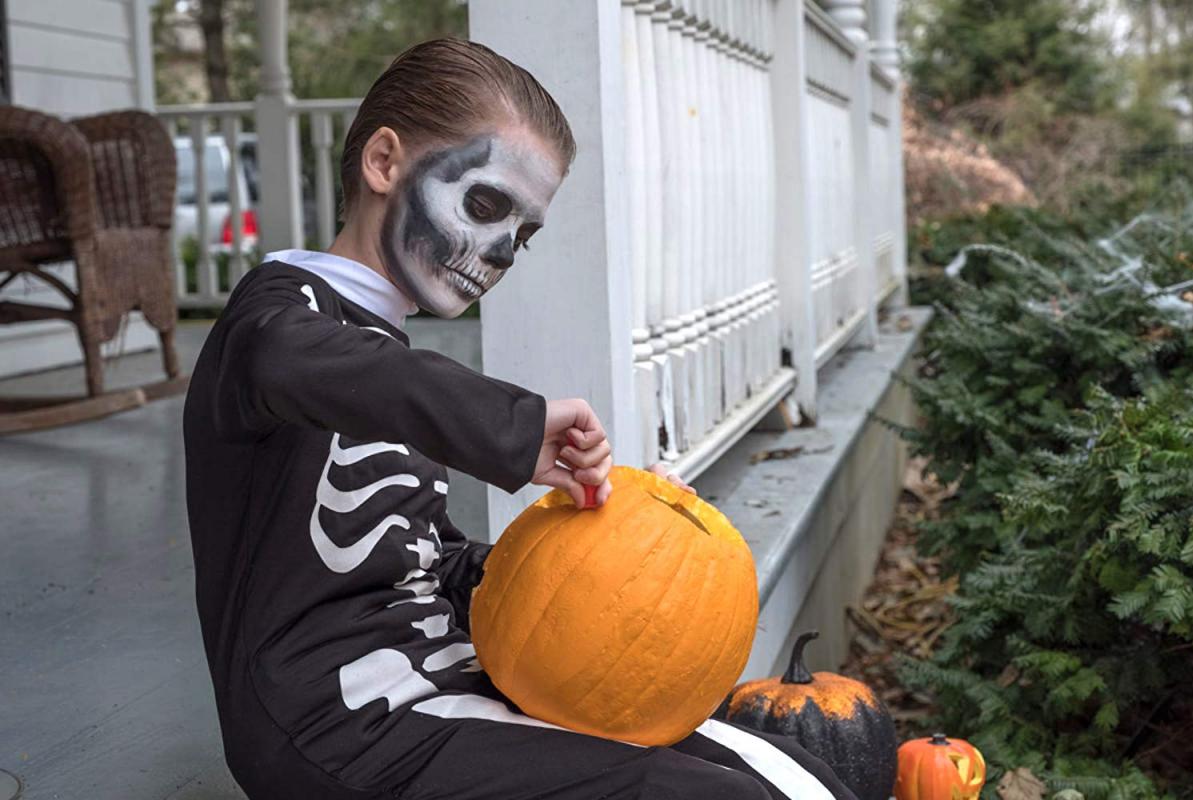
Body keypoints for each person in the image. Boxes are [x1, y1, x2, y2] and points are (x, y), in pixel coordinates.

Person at [184, 37, 856, 800]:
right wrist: (511, 423)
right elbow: (292, 363)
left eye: (523, 235)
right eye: (484, 205)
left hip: (448, 675)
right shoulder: (276, 319)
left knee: (787, 769)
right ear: (383, 162)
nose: (499, 251)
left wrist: (596, 555)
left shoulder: (382, 356)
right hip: (332, 725)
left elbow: (423, 561)